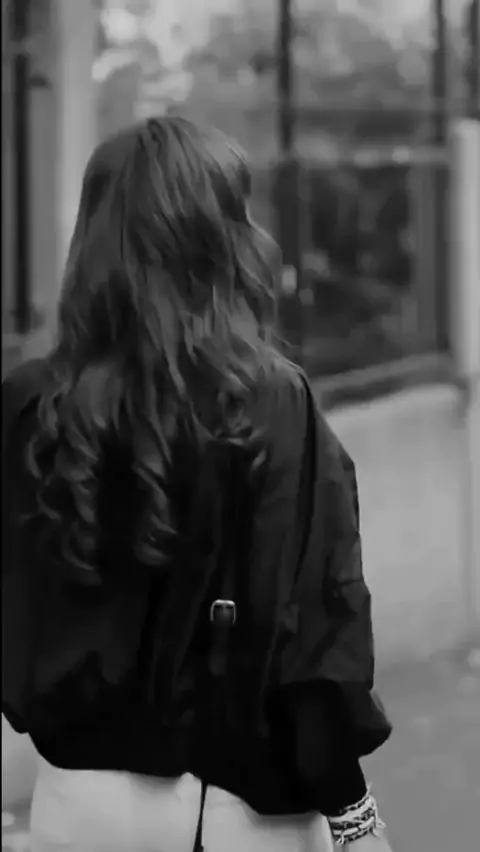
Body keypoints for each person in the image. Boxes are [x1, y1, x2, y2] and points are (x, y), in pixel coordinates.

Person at [2, 116, 394, 852]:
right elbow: (309, 632)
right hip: (231, 814)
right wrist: (353, 816)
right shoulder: (270, 403)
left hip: (73, 809)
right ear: (220, 237)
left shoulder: (29, 405)